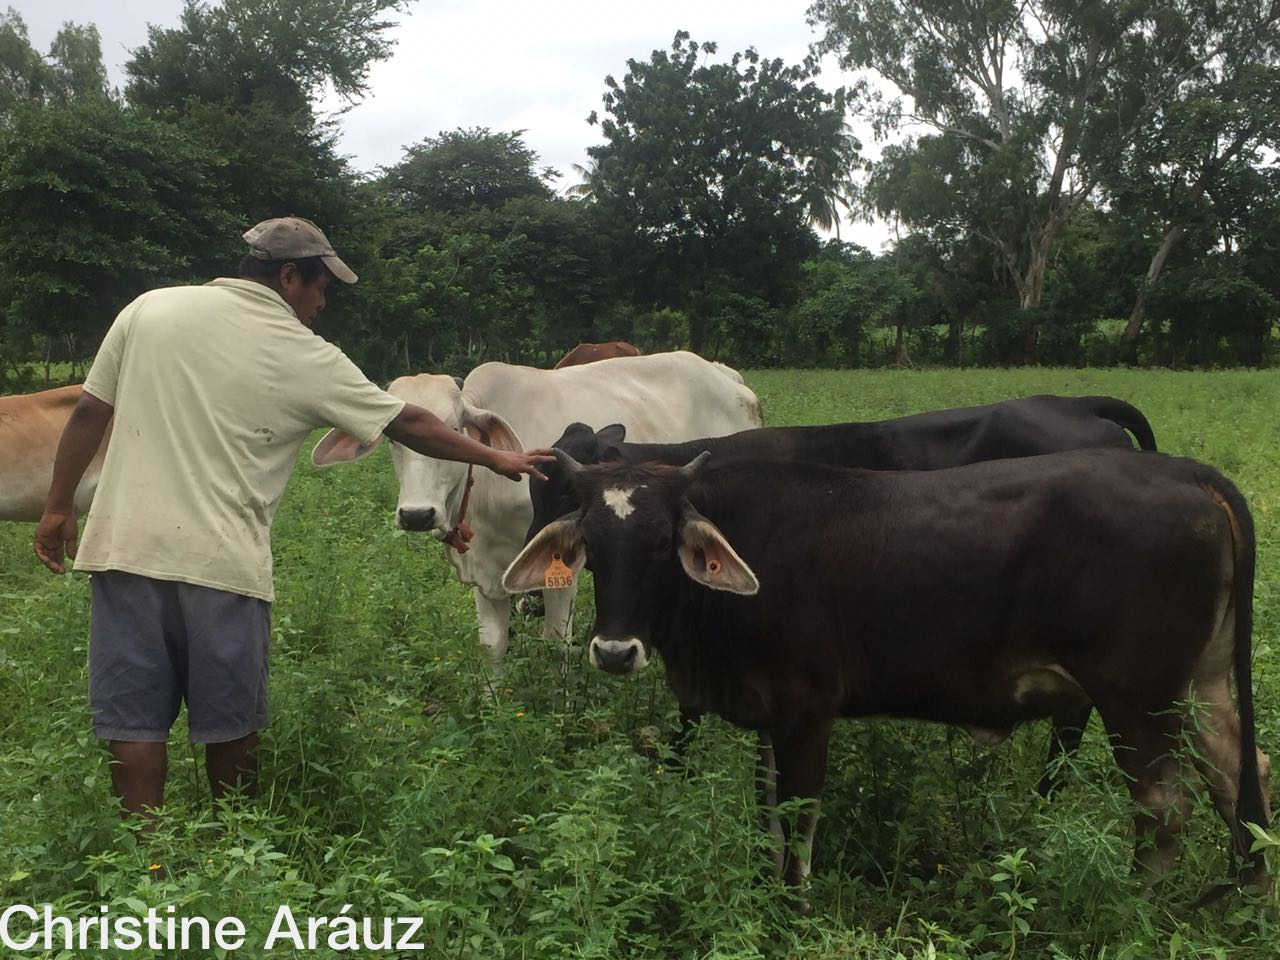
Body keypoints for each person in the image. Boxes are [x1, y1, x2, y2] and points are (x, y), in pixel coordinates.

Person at [32, 216, 554, 821]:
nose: (321, 305)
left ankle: (142, 855)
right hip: (221, 565)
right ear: (288, 276)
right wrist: (495, 455)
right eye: (319, 288)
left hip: (120, 551)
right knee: (229, 721)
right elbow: (408, 423)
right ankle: (233, 843)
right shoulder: (305, 354)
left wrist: (57, 506)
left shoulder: (148, 309)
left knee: (133, 720)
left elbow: (89, 413)